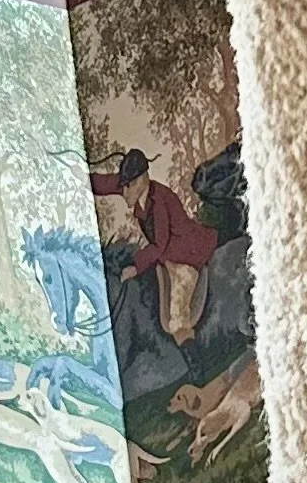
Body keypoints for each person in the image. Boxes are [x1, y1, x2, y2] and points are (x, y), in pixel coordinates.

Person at [90, 149, 218, 347]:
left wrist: (135, 266)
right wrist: (80, 175)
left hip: (186, 256)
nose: (124, 192)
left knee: (176, 317)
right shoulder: (133, 187)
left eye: (128, 186)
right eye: (123, 186)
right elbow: (107, 184)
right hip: (166, 258)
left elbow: (159, 245)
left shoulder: (160, 200)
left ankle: (197, 363)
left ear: (142, 180)